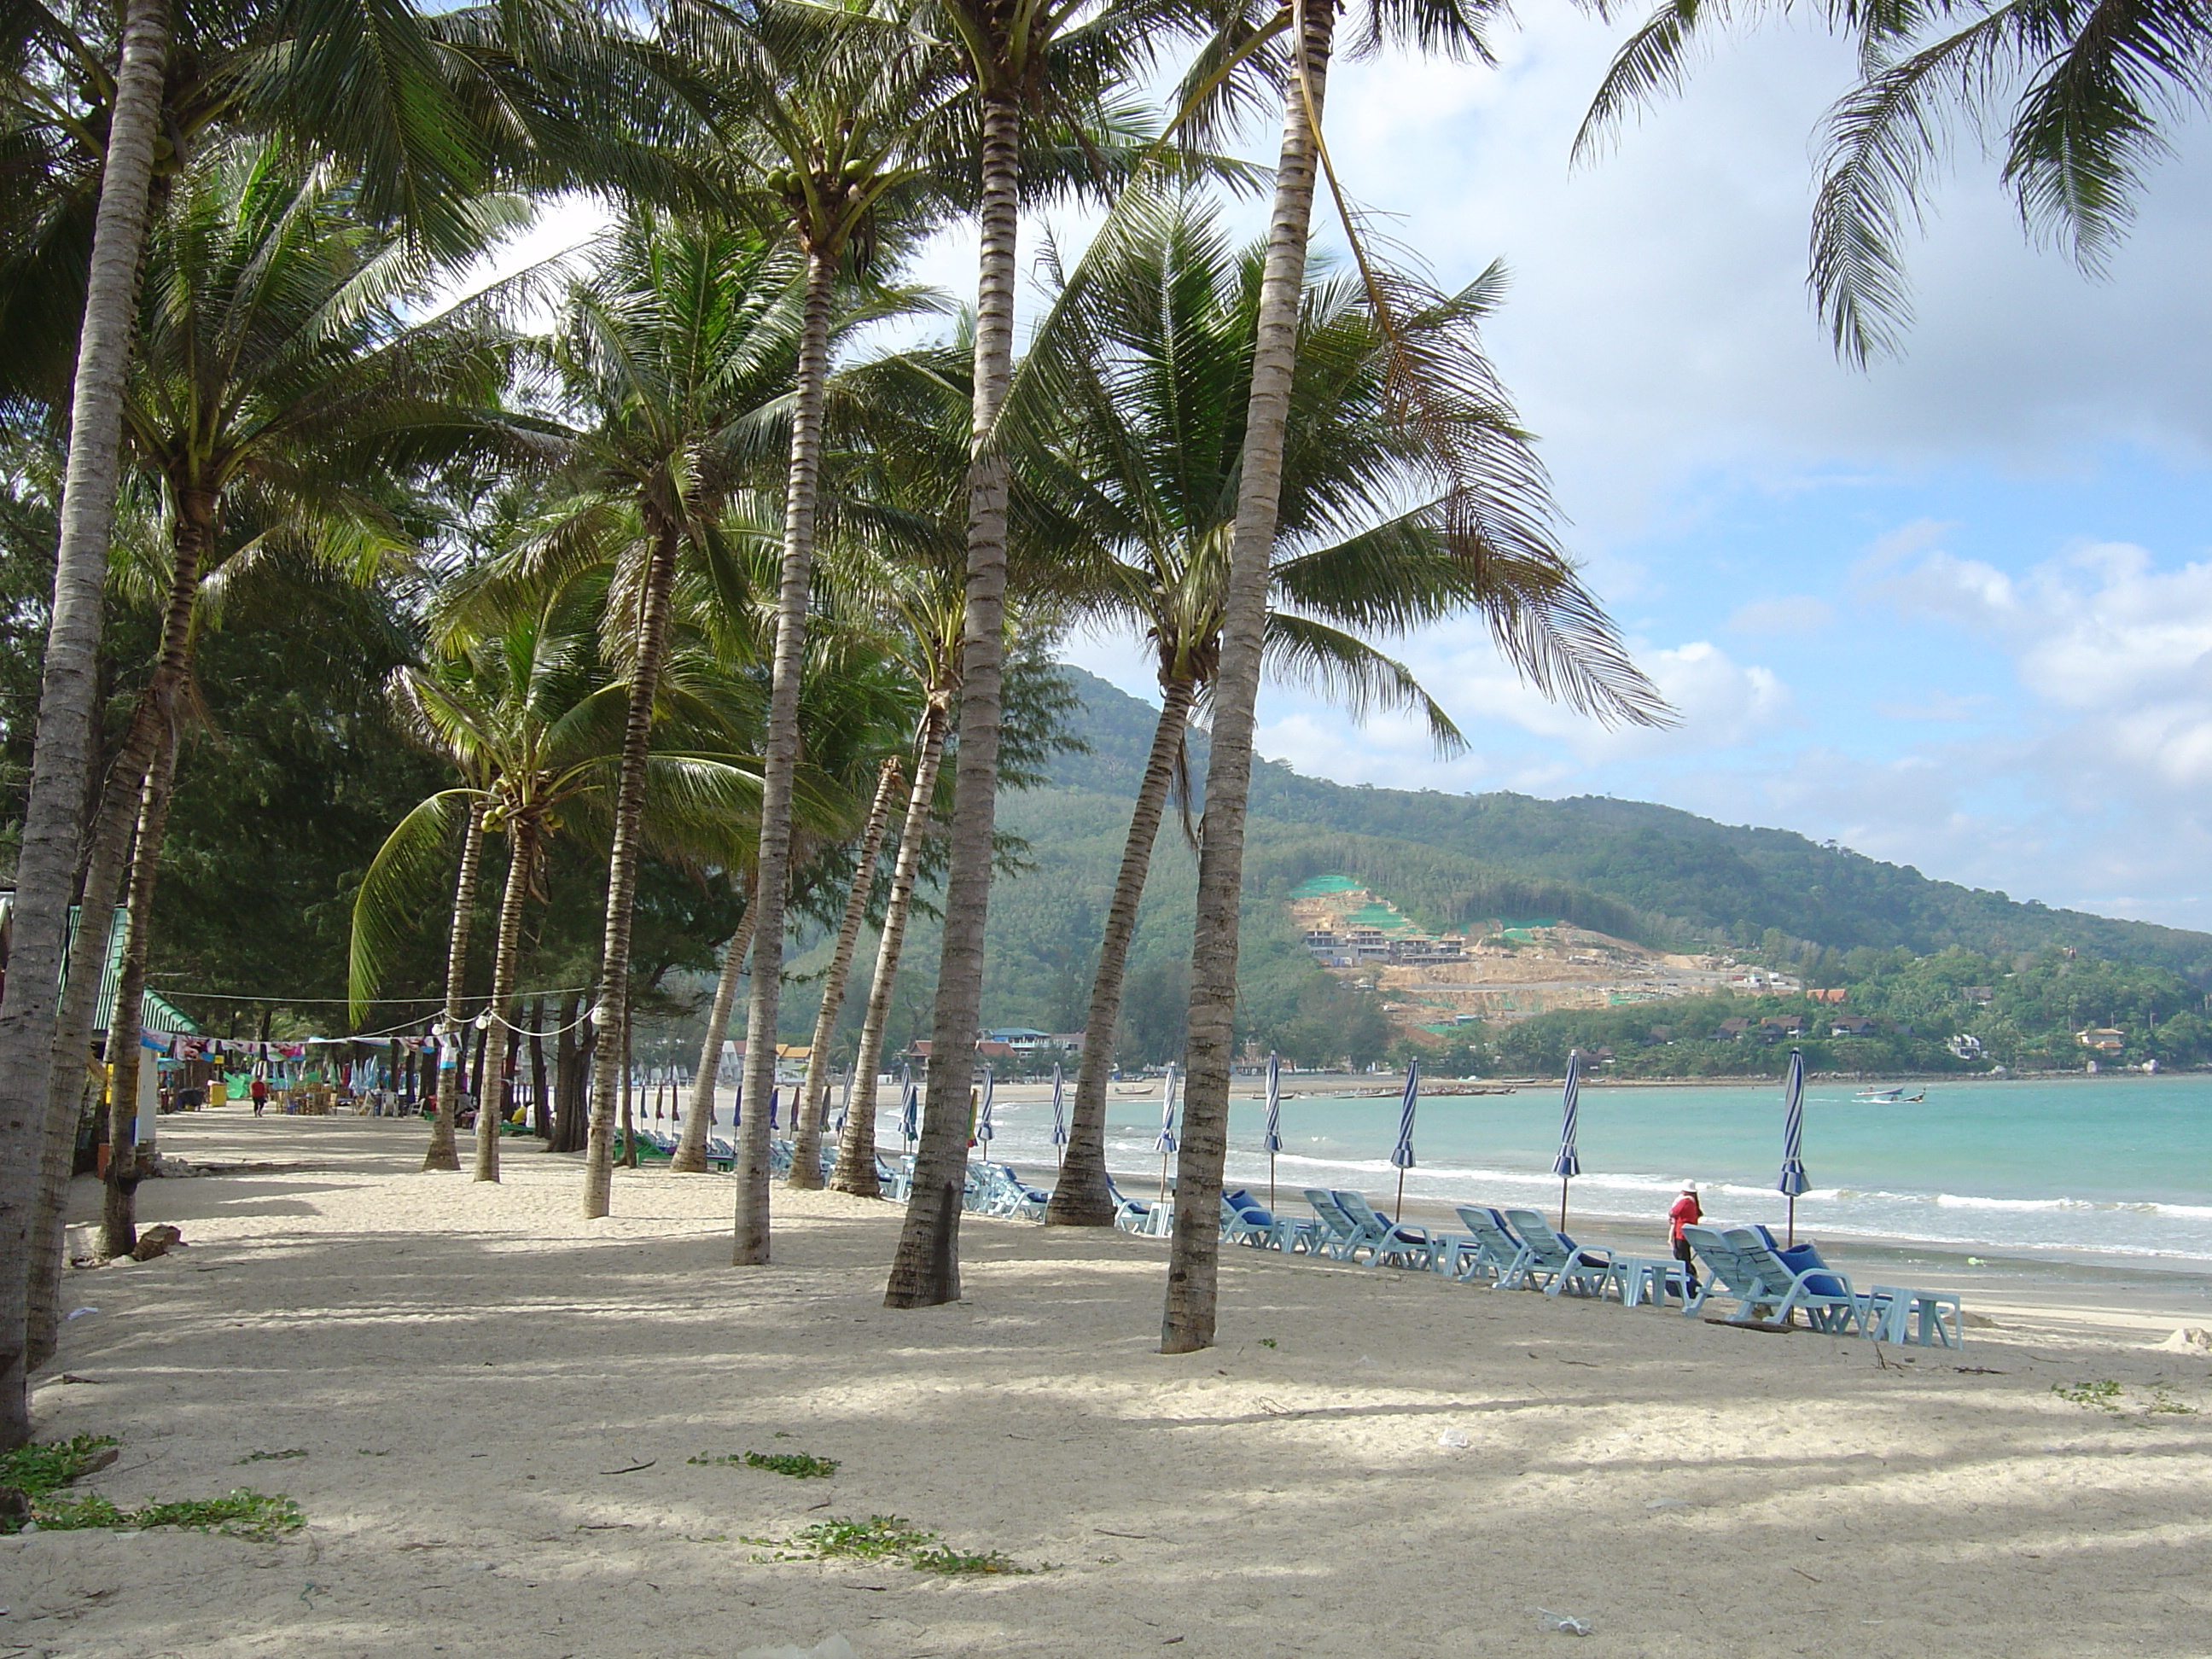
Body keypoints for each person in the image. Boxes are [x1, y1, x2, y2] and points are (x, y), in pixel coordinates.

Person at [1668, 1183, 1703, 1295]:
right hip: (1686, 1232)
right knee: (1683, 1256)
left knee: (1681, 1257)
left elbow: (1674, 1211)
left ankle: (1690, 1278)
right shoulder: (1693, 1201)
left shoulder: (1686, 1201)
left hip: (1681, 1232)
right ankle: (1690, 1277)